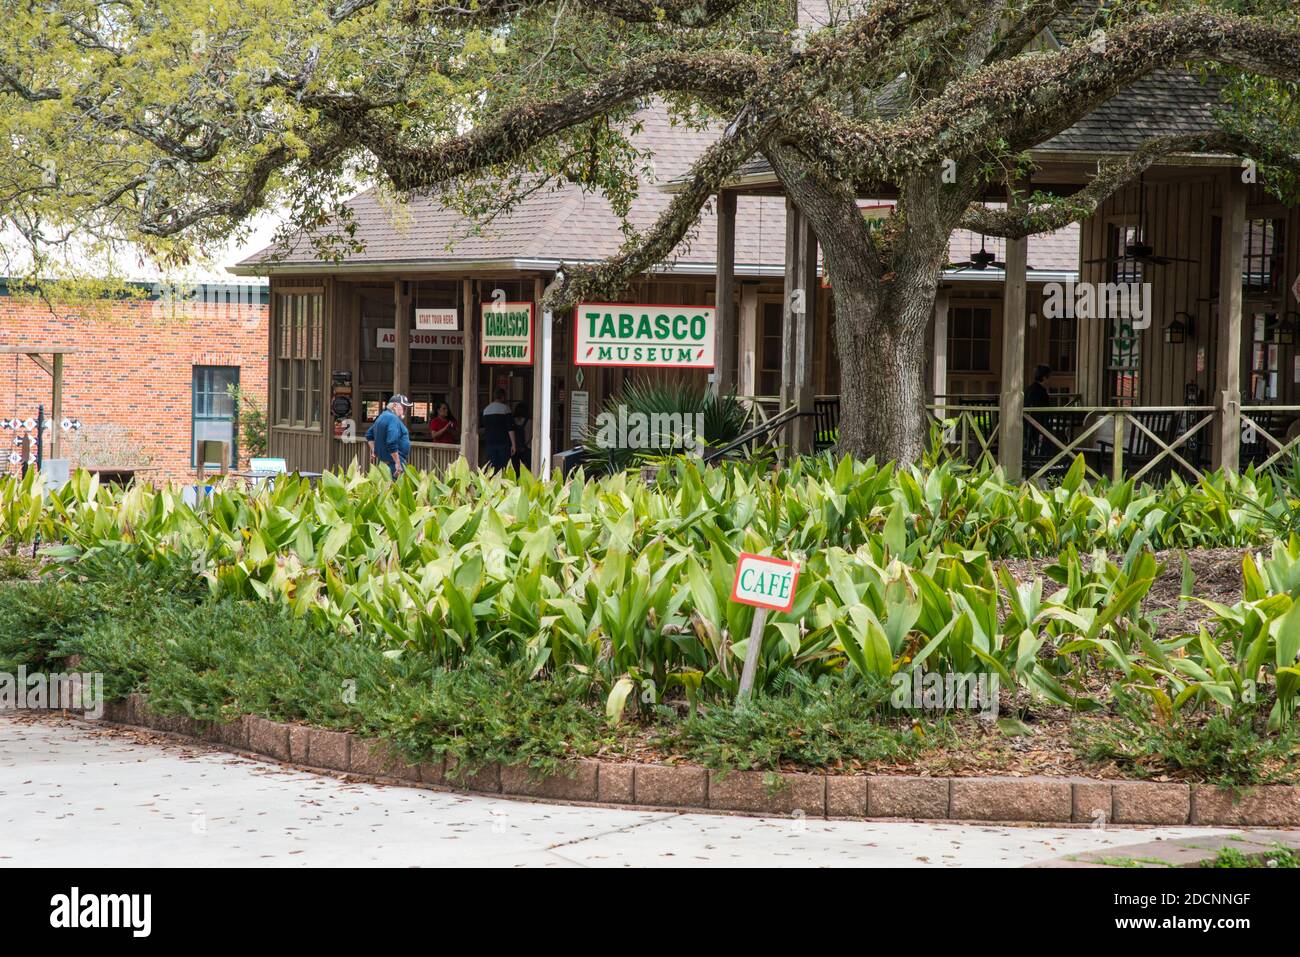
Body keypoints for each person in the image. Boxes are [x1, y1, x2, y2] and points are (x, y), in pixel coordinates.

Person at [365, 394, 412, 476]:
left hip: (383, 463)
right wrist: (397, 463)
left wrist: (374, 450)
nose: (405, 410)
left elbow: (369, 435)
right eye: (403, 407)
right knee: (396, 488)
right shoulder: (393, 418)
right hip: (393, 464)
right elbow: (392, 442)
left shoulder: (382, 416)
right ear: (394, 405)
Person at [481, 389, 515, 471]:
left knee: (492, 468)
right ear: (503, 397)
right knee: (503, 468)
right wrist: (514, 444)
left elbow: (484, 427)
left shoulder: (486, 410)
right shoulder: (505, 409)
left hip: (490, 443)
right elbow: (510, 428)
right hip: (503, 443)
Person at [510, 402, 532, 471]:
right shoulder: (530, 421)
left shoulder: (512, 421)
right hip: (527, 447)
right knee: (526, 469)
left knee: (515, 469)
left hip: (515, 449)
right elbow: (532, 435)